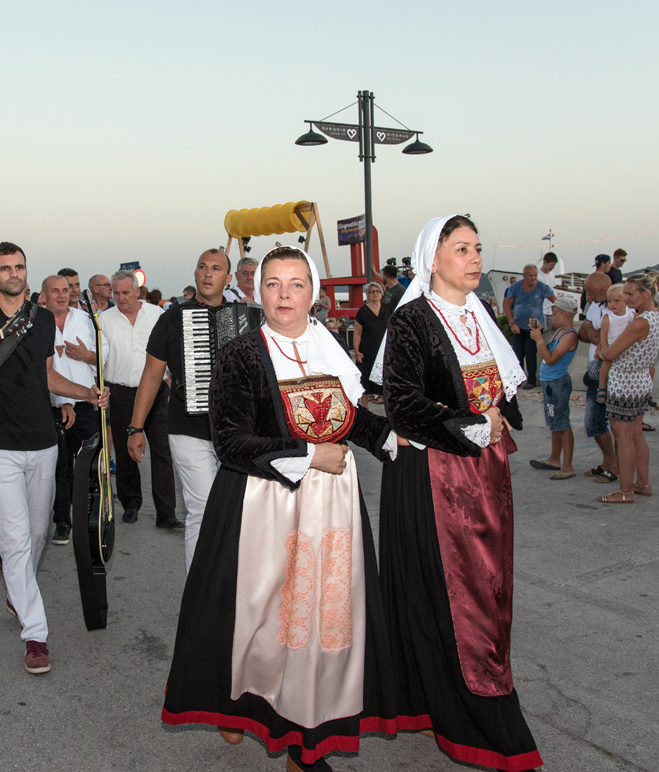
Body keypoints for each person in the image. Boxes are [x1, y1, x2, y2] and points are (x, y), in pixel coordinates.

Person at [162, 245, 405, 771]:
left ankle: (304, 739)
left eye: (295, 284)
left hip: (331, 507)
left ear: (312, 292)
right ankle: (243, 705)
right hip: (266, 506)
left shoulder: (328, 345)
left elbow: (345, 417)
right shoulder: (242, 353)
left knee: (318, 618)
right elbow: (229, 443)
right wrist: (309, 455)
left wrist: (389, 438)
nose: (283, 295)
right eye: (272, 284)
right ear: (256, 291)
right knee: (263, 621)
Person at [377, 214, 542, 771]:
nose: (474, 258)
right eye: (462, 249)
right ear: (433, 258)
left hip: (487, 475)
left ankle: (446, 697)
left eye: (477, 248)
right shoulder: (412, 322)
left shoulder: (479, 315)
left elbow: (505, 388)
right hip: (435, 479)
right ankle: (478, 711)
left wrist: (500, 416)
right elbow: (403, 402)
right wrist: (474, 422)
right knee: (457, 595)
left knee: (489, 588)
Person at [0, 242, 105, 675]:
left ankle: (17, 588)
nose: (14, 273)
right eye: (5, 268)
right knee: (13, 537)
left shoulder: (42, 318)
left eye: (19, 267)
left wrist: (85, 393)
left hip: (43, 440)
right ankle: (35, 634)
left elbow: (47, 374)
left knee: (37, 531)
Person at [128, 249, 230, 571]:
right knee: (201, 508)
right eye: (202, 267)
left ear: (227, 279)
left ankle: (228, 583)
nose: (208, 273)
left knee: (233, 508)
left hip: (235, 432)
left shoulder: (247, 318)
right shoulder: (171, 318)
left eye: (216, 268)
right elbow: (152, 374)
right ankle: (198, 594)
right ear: (195, 273)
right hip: (188, 428)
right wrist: (135, 427)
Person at [98, 270, 180, 528]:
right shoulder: (104, 319)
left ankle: (166, 513)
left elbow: (172, 352)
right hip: (122, 393)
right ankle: (130, 503)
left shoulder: (158, 315)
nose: (121, 298)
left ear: (137, 291)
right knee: (125, 451)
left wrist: (171, 381)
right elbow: (99, 357)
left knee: (162, 451)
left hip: (157, 394)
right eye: (116, 293)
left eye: (125, 292)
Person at [594, 275, 659, 503]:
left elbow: (612, 353)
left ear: (646, 294)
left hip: (625, 383)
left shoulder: (639, 322)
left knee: (623, 438)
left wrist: (602, 352)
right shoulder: (655, 317)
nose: (626, 298)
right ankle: (642, 483)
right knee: (636, 434)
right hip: (642, 380)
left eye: (630, 294)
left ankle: (625, 491)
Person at [39, 277, 97, 544]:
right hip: (51, 406)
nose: (62, 295)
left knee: (88, 466)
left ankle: (90, 520)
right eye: (55, 291)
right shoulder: (36, 324)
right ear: (45, 295)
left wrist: (86, 356)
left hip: (85, 405)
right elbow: (41, 372)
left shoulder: (87, 320)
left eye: (66, 290)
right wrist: (63, 401)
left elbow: (104, 356)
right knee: (60, 468)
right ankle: (62, 521)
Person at [528, 294, 579, 478]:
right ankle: (555, 458)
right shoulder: (559, 332)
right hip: (550, 382)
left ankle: (568, 466)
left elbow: (550, 359)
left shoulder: (570, 335)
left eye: (555, 314)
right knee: (554, 421)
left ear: (565, 314)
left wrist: (539, 340)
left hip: (558, 382)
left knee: (562, 423)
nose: (552, 318)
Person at [577, 269, 620, 484]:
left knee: (617, 424)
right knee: (593, 423)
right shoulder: (595, 306)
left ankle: (617, 467)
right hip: (594, 371)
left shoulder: (620, 306)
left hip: (615, 375)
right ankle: (608, 461)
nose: (589, 298)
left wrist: (604, 340)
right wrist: (602, 339)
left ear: (604, 290)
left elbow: (619, 337)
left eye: (592, 294)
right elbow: (583, 332)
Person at [502, 264, 557, 388]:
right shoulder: (515, 287)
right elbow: (507, 306)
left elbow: (556, 302)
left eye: (535, 275)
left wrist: (555, 318)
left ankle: (531, 380)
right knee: (517, 354)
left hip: (534, 327)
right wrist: (512, 323)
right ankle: (518, 379)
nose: (533, 278)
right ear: (524, 276)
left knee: (531, 353)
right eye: (530, 276)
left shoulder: (542, 287)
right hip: (518, 327)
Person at [596, 284, 634, 403]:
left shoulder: (630, 314)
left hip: (625, 347)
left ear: (626, 301)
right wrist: (605, 347)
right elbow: (603, 333)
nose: (612, 304)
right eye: (610, 301)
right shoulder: (608, 316)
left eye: (617, 301)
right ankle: (602, 386)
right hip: (612, 346)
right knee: (606, 364)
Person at [352, 282, 386, 404]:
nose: (375, 294)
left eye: (377, 291)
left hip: (384, 351)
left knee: (386, 383)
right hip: (367, 351)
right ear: (367, 295)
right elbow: (357, 333)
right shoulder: (363, 311)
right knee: (365, 383)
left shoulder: (388, 309)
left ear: (382, 294)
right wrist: (357, 351)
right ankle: (366, 409)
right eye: (372, 292)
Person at [538, 251, 558, 322]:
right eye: (551, 265)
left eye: (554, 265)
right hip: (541, 309)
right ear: (545, 262)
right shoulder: (537, 275)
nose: (552, 267)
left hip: (550, 309)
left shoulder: (552, 274)